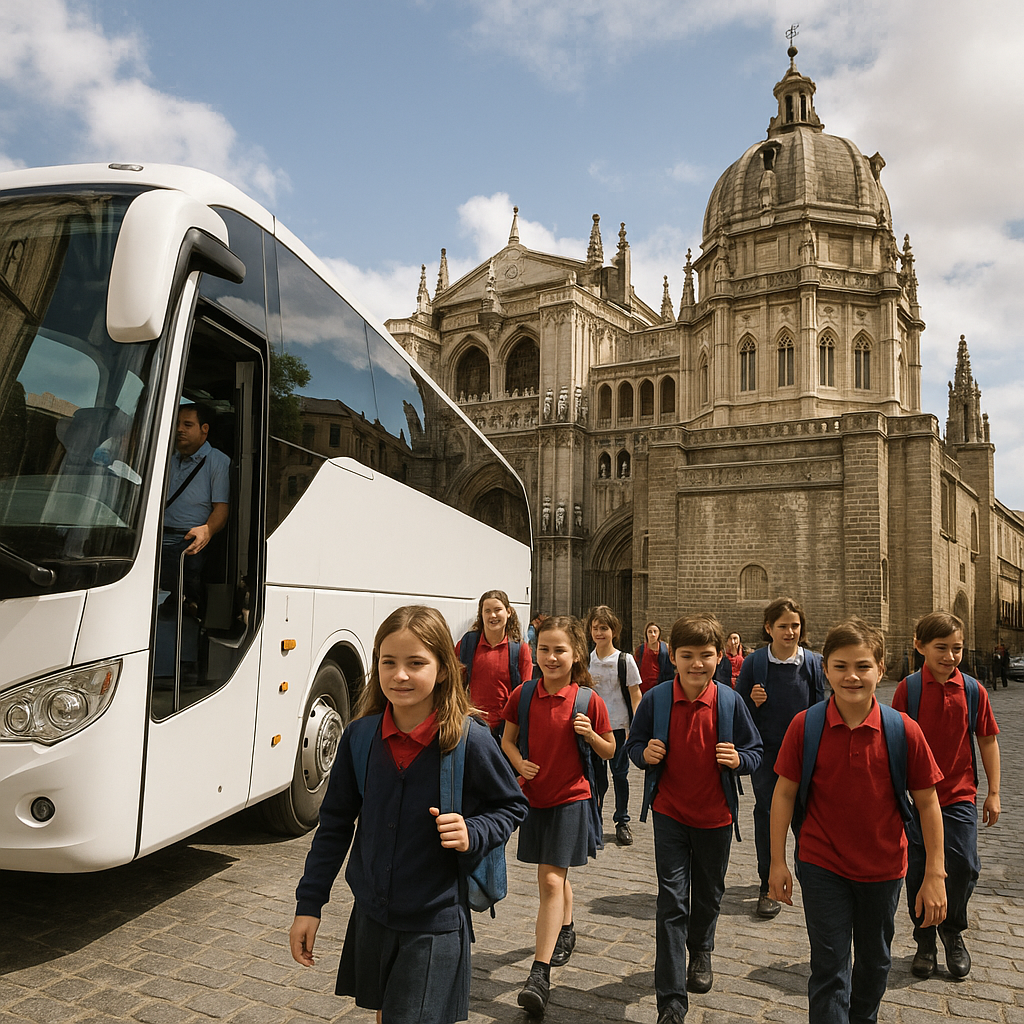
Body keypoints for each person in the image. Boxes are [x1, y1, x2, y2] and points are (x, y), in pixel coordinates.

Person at [289, 605, 529, 1024]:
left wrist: (473, 830)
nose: (400, 674)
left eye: (416, 663)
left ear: (442, 668)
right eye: (389, 662)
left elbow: (512, 805)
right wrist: (309, 904)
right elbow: (335, 826)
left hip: (435, 924)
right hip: (372, 917)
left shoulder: (468, 740)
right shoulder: (360, 737)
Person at [769, 618, 946, 1024]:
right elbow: (783, 794)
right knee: (830, 969)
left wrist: (935, 873)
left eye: (863, 666)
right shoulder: (805, 725)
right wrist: (777, 861)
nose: (852, 676)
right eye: (841, 666)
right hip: (821, 864)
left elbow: (928, 803)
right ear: (825, 669)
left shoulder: (903, 730)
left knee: (874, 963)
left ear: (881, 670)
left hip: (883, 868)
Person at [625, 614, 762, 1024]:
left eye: (706, 656)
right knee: (671, 903)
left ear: (720, 657)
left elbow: (755, 752)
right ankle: (671, 1000)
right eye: (687, 656)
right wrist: (642, 754)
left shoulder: (730, 701)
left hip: (716, 817)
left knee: (708, 893)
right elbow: (633, 744)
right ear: (673, 656)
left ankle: (701, 948)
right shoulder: (657, 699)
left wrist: (739, 760)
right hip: (669, 813)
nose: (697, 664)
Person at [501, 616, 615, 1017]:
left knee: (551, 878)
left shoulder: (587, 700)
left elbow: (610, 751)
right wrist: (520, 763)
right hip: (535, 798)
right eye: (545, 649)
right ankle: (566, 926)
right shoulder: (523, 694)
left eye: (560, 650)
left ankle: (539, 973)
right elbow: (507, 740)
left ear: (575, 655)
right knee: (557, 874)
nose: (551, 657)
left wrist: (590, 735)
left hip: (572, 798)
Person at [892, 611, 1001, 980]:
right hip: (917, 797)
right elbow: (894, 740)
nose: (950, 656)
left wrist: (994, 792)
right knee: (920, 869)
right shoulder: (910, 688)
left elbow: (986, 739)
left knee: (964, 865)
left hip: (959, 796)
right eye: (941, 648)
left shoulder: (973, 690)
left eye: (957, 648)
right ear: (919, 646)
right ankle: (924, 940)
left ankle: (953, 931)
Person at [736, 596, 826, 919]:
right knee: (767, 817)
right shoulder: (754, 664)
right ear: (768, 628)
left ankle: (812, 881)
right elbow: (740, 714)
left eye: (795, 626)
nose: (790, 632)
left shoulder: (813, 664)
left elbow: (823, 710)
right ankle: (767, 884)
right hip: (768, 757)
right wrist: (752, 701)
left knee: (806, 819)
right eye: (783, 626)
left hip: (805, 755)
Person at [161, 402, 230, 606]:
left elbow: (221, 508)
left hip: (186, 545)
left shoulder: (218, 461)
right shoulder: (167, 459)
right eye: (178, 424)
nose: (180, 429)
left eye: (188, 425)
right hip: (154, 541)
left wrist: (207, 531)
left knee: (180, 605)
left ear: (204, 429)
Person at [586, 605, 643, 845]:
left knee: (620, 776)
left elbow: (635, 694)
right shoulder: (586, 660)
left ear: (614, 631)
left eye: (604, 628)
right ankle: (595, 822)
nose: (599, 633)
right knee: (598, 779)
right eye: (595, 628)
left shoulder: (624, 660)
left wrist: (637, 728)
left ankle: (622, 821)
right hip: (595, 728)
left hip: (619, 726)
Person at [456, 590, 533, 739]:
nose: (492, 616)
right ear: (481, 615)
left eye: (498, 610)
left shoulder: (519, 649)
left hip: (505, 730)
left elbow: (525, 693)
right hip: (471, 726)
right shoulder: (467, 644)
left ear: (508, 612)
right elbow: (453, 681)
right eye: (487, 611)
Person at [634, 621, 673, 695]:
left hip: (660, 686)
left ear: (659, 634)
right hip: (643, 688)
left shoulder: (666, 648)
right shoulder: (640, 649)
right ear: (646, 634)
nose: (653, 634)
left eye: (655, 632)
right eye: (650, 632)